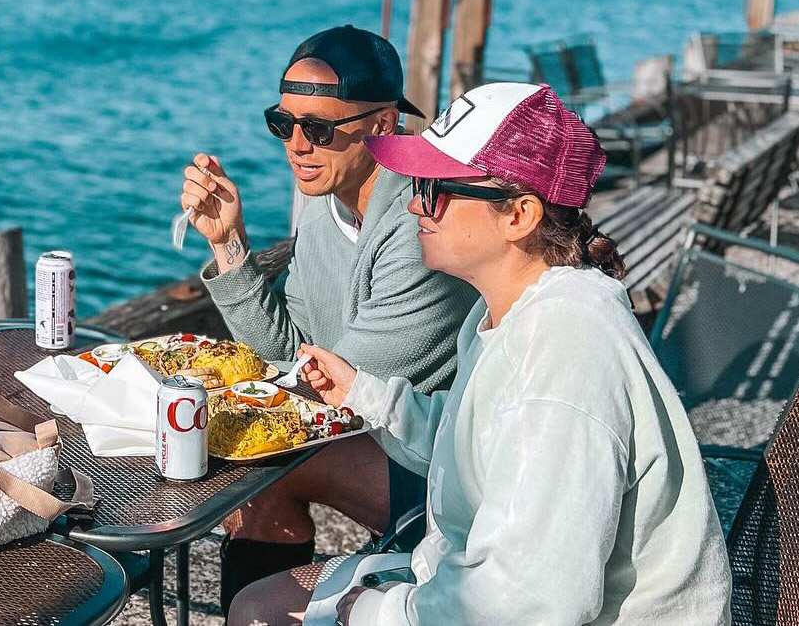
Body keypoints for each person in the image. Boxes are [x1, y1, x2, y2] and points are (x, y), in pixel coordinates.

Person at [229, 82, 731, 625]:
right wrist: (363, 392)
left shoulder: (565, 350)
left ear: (519, 215)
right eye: (416, 182)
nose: (413, 203)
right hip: (467, 573)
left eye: (436, 187)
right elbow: (473, 438)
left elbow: (534, 599)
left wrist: (380, 611)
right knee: (258, 605)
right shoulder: (508, 308)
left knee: (265, 613)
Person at [179, 25, 478, 611]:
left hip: (453, 470)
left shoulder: (425, 224)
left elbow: (328, 390)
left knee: (259, 463)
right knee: (258, 483)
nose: (297, 144)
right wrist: (229, 246)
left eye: (318, 128)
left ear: (384, 125)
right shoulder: (324, 203)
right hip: (381, 430)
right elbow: (289, 354)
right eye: (282, 123)